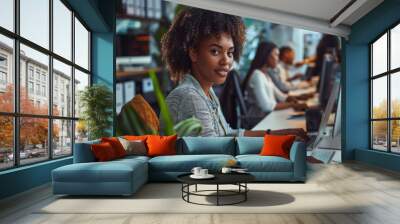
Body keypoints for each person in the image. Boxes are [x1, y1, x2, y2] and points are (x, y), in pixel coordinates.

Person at [161, 7, 308, 140]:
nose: (226, 61)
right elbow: (216, 151)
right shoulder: (190, 95)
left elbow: (228, 134)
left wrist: (277, 134)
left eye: (230, 53)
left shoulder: (206, 91)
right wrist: (277, 141)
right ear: (193, 53)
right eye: (215, 51)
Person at [241, 42, 308, 123]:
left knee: (302, 120)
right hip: (259, 121)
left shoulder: (265, 75)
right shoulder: (257, 75)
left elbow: (281, 96)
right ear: (267, 56)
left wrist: (296, 98)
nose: (278, 58)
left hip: (269, 117)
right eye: (276, 55)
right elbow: (267, 106)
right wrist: (293, 105)